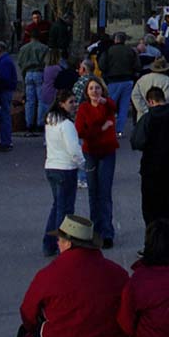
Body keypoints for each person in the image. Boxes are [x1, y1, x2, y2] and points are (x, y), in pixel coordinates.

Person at [11, 215, 129, 337]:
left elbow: (27, 316)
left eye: (59, 240)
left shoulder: (49, 275)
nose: (58, 244)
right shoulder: (118, 273)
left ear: (68, 243)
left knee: (24, 335)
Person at [131, 86, 169, 226]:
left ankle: (153, 241)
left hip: (151, 169)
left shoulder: (148, 118)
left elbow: (137, 142)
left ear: (150, 101)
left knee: (151, 208)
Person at [76, 78, 119, 248]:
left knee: (105, 192)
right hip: (90, 152)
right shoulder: (84, 108)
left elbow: (113, 109)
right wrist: (100, 128)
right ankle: (95, 231)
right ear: (87, 92)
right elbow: (81, 131)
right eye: (91, 88)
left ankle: (107, 232)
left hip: (107, 151)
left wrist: (104, 103)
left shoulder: (107, 106)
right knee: (93, 192)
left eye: (97, 88)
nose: (94, 91)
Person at [42, 90, 85, 257]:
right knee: (65, 210)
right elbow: (73, 149)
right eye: (71, 102)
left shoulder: (50, 120)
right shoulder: (67, 125)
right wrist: (83, 164)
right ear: (62, 104)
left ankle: (49, 244)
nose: (74, 105)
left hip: (51, 166)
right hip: (65, 169)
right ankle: (63, 245)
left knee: (57, 206)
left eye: (75, 102)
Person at [99, 31, 139, 137]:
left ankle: (109, 128)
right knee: (124, 106)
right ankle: (119, 131)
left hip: (113, 81)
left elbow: (102, 65)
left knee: (110, 106)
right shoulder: (130, 51)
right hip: (128, 80)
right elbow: (137, 65)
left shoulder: (108, 51)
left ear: (115, 40)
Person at [17, 31, 49, 133]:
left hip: (28, 73)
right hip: (39, 72)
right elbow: (47, 62)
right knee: (41, 100)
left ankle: (29, 123)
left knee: (30, 100)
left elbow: (20, 62)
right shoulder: (44, 48)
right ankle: (40, 123)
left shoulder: (23, 49)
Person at [0, 42, 18, 152]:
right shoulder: (5, 60)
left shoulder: (4, 62)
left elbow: (4, 78)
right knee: (4, 115)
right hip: (6, 89)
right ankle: (5, 140)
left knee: (4, 116)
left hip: (5, 91)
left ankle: (6, 141)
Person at [132, 57, 169, 121]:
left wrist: (144, 109)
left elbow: (135, 95)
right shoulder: (168, 81)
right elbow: (168, 99)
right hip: (161, 117)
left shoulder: (142, 79)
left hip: (143, 116)